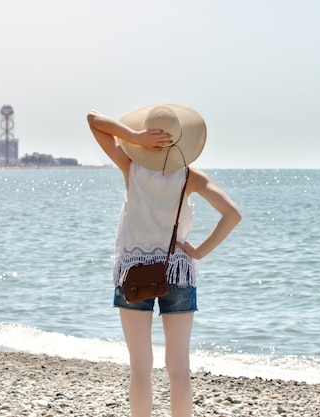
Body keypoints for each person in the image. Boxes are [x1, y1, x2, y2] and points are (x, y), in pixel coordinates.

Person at [87, 104, 241, 417]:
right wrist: (199, 251)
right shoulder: (190, 177)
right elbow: (232, 214)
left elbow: (93, 120)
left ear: (146, 139)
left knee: (141, 368)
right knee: (179, 367)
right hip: (179, 272)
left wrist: (133, 136)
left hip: (134, 271)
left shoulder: (131, 167)